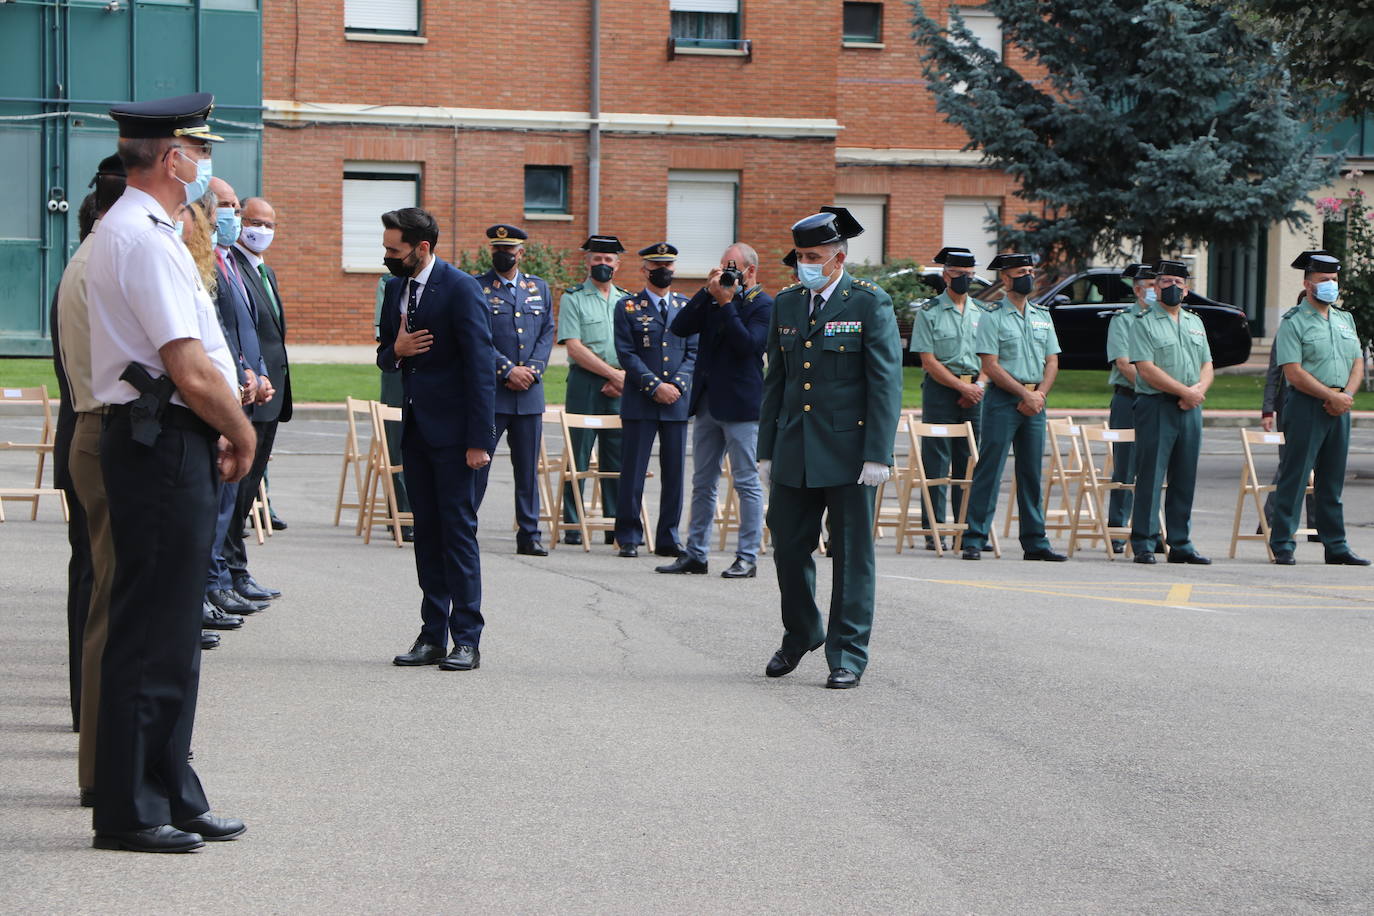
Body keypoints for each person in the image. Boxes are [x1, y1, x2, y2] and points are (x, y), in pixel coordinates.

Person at [87, 92, 253, 852]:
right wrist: (239, 429)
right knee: (151, 631)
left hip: (174, 441)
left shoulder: (153, 230)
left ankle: (171, 789)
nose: (203, 164)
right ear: (170, 157)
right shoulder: (142, 238)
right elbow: (185, 365)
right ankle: (130, 807)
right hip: (159, 443)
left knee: (175, 627)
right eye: (198, 149)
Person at [757, 207, 903, 689]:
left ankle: (848, 653)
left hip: (848, 452)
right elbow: (775, 381)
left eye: (814, 256)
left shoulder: (868, 303)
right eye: (800, 256)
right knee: (787, 548)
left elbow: (885, 383)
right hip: (795, 449)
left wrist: (878, 453)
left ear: (839, 258)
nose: (805, 264)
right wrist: (766, 449)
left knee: (851, 555)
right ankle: (802, 631)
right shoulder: (788, 302)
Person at [377, 208, 497, 672]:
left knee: (458, 536)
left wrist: (479, 441)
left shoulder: (461, 288)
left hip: (456, 439)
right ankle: (431, 636)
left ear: (422, 248)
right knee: (425, 535)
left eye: (395, 250)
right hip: (416, 433)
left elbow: (481, 369)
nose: (388, 257)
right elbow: (386, 357)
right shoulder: (396, 289)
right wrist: (396, 352)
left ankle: (466, 638)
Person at [54, 157, 126, 805]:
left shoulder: (90, 256)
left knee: (97, 583)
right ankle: (93, 721)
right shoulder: (97, 264)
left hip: (89, 435)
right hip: (98, 437)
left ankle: (95, 720)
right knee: (98, 587)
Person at [657, 242, 772, 578]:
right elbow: (679, 327)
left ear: (750, 271)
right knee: (703, 481)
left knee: (746, 482)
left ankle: (747, 556)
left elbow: (748, 346)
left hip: (740, 405)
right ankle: (696, 553)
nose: (726, 273)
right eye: (722, 266)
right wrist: (706, 293)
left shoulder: (763, 305)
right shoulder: (715, 298)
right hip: (707, 401)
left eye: (732, 267)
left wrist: (725, 304)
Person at [959, 253, 1067, 562]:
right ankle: (975, 537)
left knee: (1032, 472)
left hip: (1036, 402)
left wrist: (1039, 396)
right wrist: (1024, 394)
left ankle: (1035, 542)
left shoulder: (1042, 315)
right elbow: (990, 365)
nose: (1029, 277)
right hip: (1004, 400)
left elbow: (1052, 361)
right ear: (1005, 279)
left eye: (1031, 271)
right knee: (990, 468)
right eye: (1022, 272)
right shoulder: (991, 315)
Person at [1269, 250, 1369, 566]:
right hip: (1306, 405)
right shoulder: (1293, 322)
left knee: (1332, 480)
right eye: (1324, 280)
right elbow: (1293, 371)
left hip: (1340, 406)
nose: (1331, 285)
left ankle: (1335, 544)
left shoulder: (1344, 319)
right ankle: (1283, 542)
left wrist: (1345, 396)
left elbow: (1357, 363)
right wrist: (1330, 395)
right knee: (1296, 475)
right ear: (1308, 284)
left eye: (1335, 280)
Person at [204, 178, 272, 622]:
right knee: (215, 504)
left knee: (232, 500)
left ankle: (222, 579)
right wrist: (242, 368)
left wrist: (259, 370)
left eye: (234, 205)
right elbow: (218, 331)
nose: (231, 215)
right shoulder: (206, 263)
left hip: (248, 389)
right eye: (227, 207)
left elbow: (250, 327)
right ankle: (211, 585)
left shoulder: (233, 263)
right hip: (223, 395)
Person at [472, 224, 556, 556]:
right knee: (478, 464)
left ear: (521, 254)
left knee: (527, 470)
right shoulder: (477, 287)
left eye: (509, 250)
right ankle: (466, 529)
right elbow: (477, 337)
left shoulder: (539, 288)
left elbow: (547, 333)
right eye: (497, 250)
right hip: (492, 392)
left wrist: (531, 372)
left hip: (529, 395)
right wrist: (507, 369)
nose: (502, 255)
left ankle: (529, 533)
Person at [611, 243, 696, 558]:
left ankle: (668, 537)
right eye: (656, 266)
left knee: (674, 472)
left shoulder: (687, 307)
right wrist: (654, 385)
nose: (663, 271)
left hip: (676, 400)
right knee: (633, 470)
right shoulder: (628, 307)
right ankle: (629, 535)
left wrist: (675, 385)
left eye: (668, 266)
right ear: (645, 270)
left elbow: (693, 352)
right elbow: (627, 353)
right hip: (641, 400)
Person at [227, 195, 294, 595]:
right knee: (236, 493)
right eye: (254, 222)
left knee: (249, 491)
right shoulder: (232, 268)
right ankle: (230, 573)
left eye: (269, 224)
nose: (262, 231)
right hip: (251, 393)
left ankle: (236, 569)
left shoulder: (265, 272)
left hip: (272, 395)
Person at [1128, 259, 1213, 565]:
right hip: (1158, 405)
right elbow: (1146, 369)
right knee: (1151, 475)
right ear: (1156, 287)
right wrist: (1184, 392)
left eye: (1179, 284)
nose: (1173, 288)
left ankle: (1180, 542)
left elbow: (1207, 365)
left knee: (1185, 476)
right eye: (1166, 283)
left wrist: (1198, 391)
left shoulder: (1195, 323)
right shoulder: (1144, 322)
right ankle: (1144, 541)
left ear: (1187, 290)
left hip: (1190, 408)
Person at [556, 235, 631, 545]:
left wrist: (624, 377)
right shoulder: (572, 297)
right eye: (597, 259)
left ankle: (614, 522)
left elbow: (633, 344)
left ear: (618, 264)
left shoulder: (627, 299)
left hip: (621, 386)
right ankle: (573, 524)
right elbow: (573, 347)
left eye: (608, 260)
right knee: (579, 455)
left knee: (617, 456)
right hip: (586, 383)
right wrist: (613, 374)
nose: (602, 264)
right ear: (587, 262)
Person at [910, 246, 985, 549]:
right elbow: (928, 360)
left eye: (969, 275)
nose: (964, 280)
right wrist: (960, 387)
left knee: (969, 461)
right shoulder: (930, 312)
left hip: (976, 391)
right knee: (937, 460)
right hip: (942, 391)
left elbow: (993, 357)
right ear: (945, 276)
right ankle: (934, 528)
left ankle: (968, 528)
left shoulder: (983, 313)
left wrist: (977, 386)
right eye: (958, 275)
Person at [1104, 263, 1156, 553]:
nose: (1154, 290)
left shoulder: (1166, 318)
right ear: (1137, 290)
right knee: (1125, 466)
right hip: (1130, 397)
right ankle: (1118, 530)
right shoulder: (1123, 320)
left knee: (1155, 465)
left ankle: (1151, 529)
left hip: (1160, 399)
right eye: (1149, 285)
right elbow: (1124, 363)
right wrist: (1153, 386)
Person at [374, 275, 412, 540]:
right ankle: (403, 515)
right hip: (398, 370)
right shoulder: (390, 284)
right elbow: (384, 335)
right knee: (397, 444)